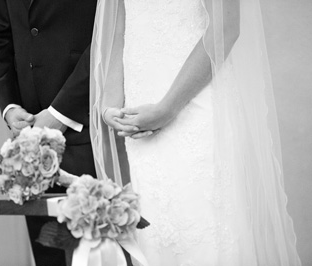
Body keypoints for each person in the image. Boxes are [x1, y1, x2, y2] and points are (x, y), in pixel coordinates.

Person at [90, 0, 302, 265]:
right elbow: (118, 29)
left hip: (194, 106)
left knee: (204, 230)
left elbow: (225, 29)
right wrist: (110, 104)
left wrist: (167, 109)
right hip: (140, 118)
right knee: (157, 235)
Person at [0, 1, 97, 265]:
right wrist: (10, 107)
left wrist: (59, 113)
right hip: (28, 141)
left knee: (96, 252)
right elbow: (0, 40)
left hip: (87, 129)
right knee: (48, 255)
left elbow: (105, 36)